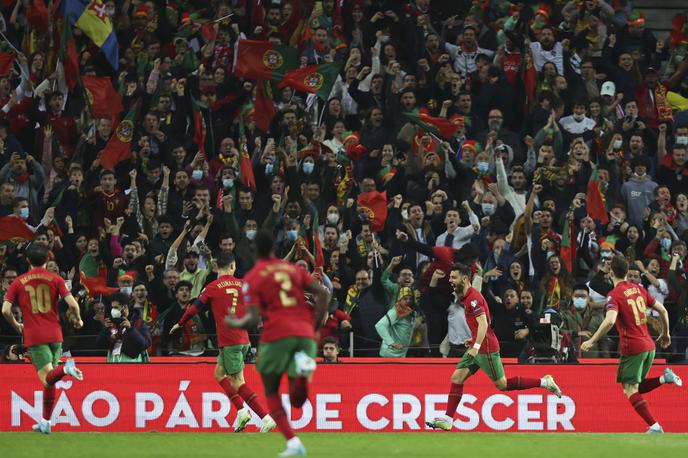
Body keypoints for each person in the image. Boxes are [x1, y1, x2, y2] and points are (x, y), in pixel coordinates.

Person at [227, 230, 330, 457]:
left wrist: (236, 322)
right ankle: (302, 374)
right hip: (304, 334)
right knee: (296, 398)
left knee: (272, 391)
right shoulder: (295, 270)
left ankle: (293, 444)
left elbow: (253, 318)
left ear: (255, 251)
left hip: (277, 335)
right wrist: (314, 328)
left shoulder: (253, 278)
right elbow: (323, 294)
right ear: (274, 248)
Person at [426, 263, 562, 431]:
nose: (450, 280)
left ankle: (545, 382)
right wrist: (474, 339)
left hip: (485, 348)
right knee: (456, 379)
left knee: (502, 385)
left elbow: (483, 323)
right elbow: (486, 322)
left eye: (453, 277)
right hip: (477, 346)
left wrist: (476, 344)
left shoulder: (473, 298)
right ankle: (447, 419)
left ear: (464, 278)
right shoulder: (468, 297)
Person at [169, 251, 275, 433]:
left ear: (217, 267)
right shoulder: (244, 284)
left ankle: (265, 418)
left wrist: (180, 323)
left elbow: (195, 308)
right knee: (219, 374)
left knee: (237, 382)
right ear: (233, 266)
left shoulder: (213, 287)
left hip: (230, 340)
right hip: (243, 340)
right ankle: (242, 412)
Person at [581, 255, 683, 433]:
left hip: (633, 347)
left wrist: (592, 340)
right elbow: (663, 310)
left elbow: (610, 321)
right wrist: (666, 334)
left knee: (629, 390)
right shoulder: (638, 289)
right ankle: (664, 378)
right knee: (636, 385)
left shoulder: (614, 295)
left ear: (611, 272)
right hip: (649, 346)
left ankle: (655, 426)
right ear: (627, 272)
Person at [1, 243, 84, 434]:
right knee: (51, 379)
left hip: (35, 336)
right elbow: (72, 304)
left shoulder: (19, 281)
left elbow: (5, 310)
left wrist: (16, 325)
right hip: (56, 335)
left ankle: (66, 368)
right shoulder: (55, 279)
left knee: (47, 379)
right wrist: (78, 320)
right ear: (48, 260)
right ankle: (46, 422)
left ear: (28, 260)